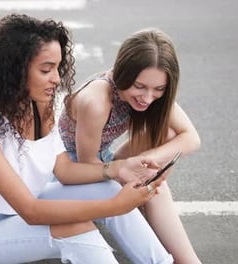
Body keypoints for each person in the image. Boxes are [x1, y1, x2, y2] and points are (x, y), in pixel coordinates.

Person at [0, 14, 174, 263]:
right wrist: (118, 206)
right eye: (46, 69)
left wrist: (120, 168)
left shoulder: (40, 106)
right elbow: (31, 212)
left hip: (32, 201)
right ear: (14, 70)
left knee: (108, 189)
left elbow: (63, 170)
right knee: (76, 227)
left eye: (57, 67)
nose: (56, 78)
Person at [58, 28, 202, 263]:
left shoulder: (151, 89)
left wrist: (147, 163)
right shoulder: (96, 100)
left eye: (159, 89)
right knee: (152, 186)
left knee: (165, 137)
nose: (147, 97)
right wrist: (135, 173)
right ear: (124, 73)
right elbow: (87, 165)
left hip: (103, 158)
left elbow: (191, 138)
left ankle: (183, 257)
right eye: (140, 86)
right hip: (72, 171)